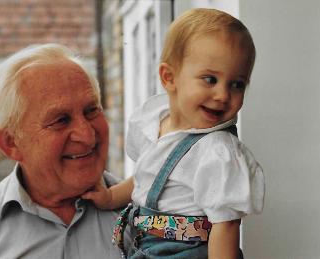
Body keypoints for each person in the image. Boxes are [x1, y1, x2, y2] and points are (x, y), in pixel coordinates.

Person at [82, 8, 265, 259]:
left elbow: (226, 225)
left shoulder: (217, 150)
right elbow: (147, 179)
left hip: (187, 252)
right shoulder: (156, 123)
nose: (223, 95)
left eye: (237, 84)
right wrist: (111, 196)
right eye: (210, 79)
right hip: (145, 245)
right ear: (169, 78)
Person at [0, 44, 128, 258]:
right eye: (60, 120)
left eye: (91, 111)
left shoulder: (147, 213)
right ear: (10, 142)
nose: (87, 136)